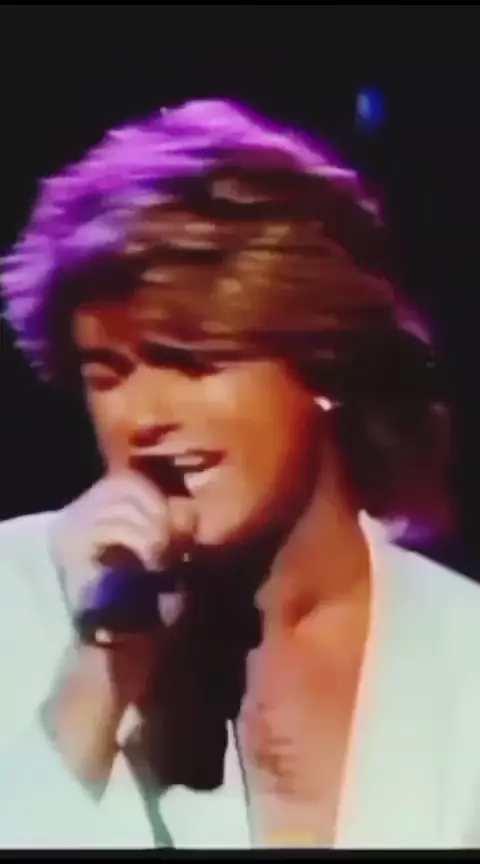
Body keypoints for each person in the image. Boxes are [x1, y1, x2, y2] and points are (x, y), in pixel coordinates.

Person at [0, 98, 479, 851]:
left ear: (322, 363)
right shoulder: (13, 597)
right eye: (108, 372)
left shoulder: (463, 654)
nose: (143, 416)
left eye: (193, 362)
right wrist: (98, 674)